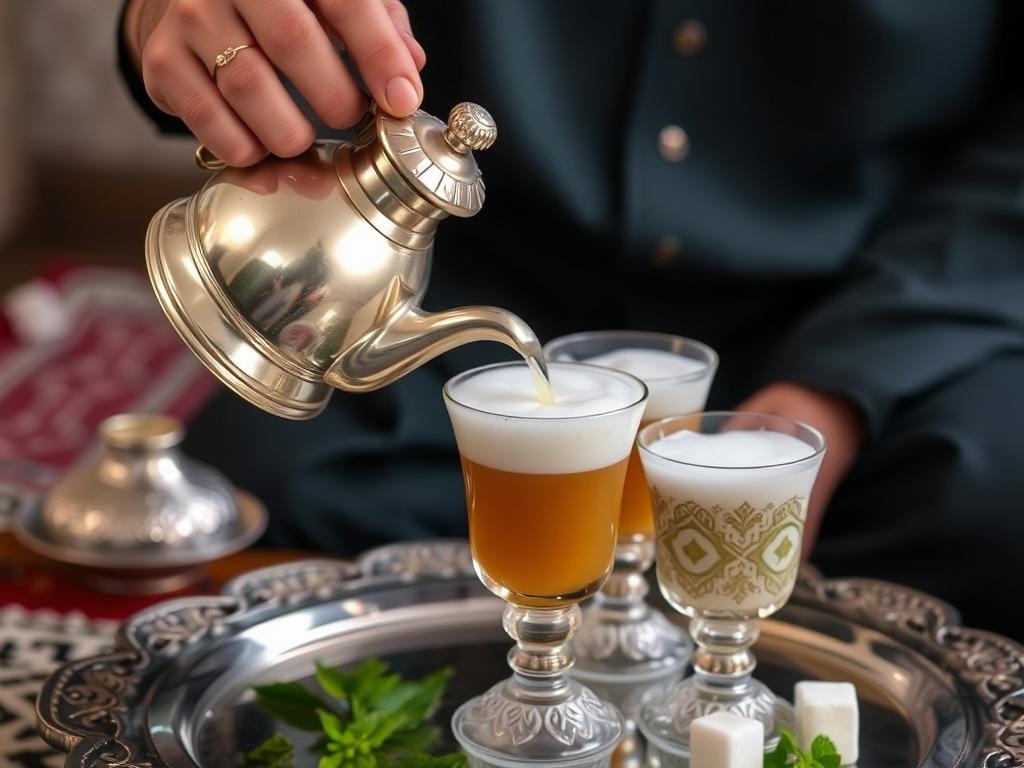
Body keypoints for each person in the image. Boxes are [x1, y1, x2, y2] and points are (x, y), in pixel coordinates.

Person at [118, 0, 1024, 638]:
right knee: (252, 487)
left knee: (991, 508)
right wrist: (164, 15)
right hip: (486, 306)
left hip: (871, 305)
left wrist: (836, 392)